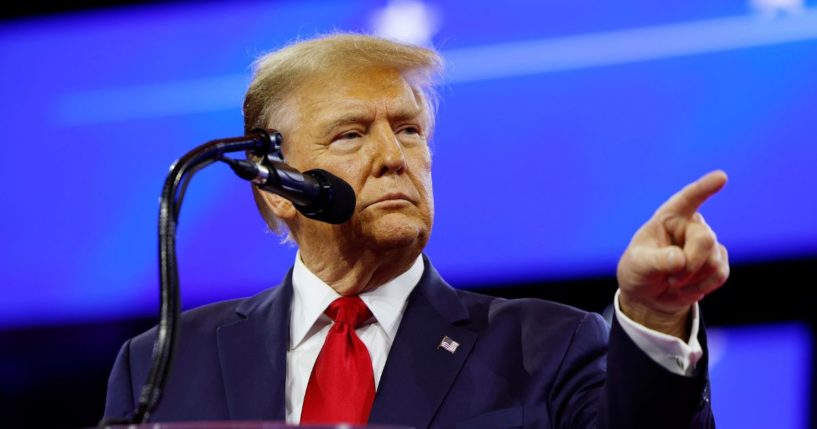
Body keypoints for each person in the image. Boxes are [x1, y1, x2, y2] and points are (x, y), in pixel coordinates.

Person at [104, 33, 727, 428]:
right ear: (276, 188)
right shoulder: (162, 361)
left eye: (409, 130)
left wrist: (653, 315)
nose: (393, 156)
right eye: (351, 134)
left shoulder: (547, 344)